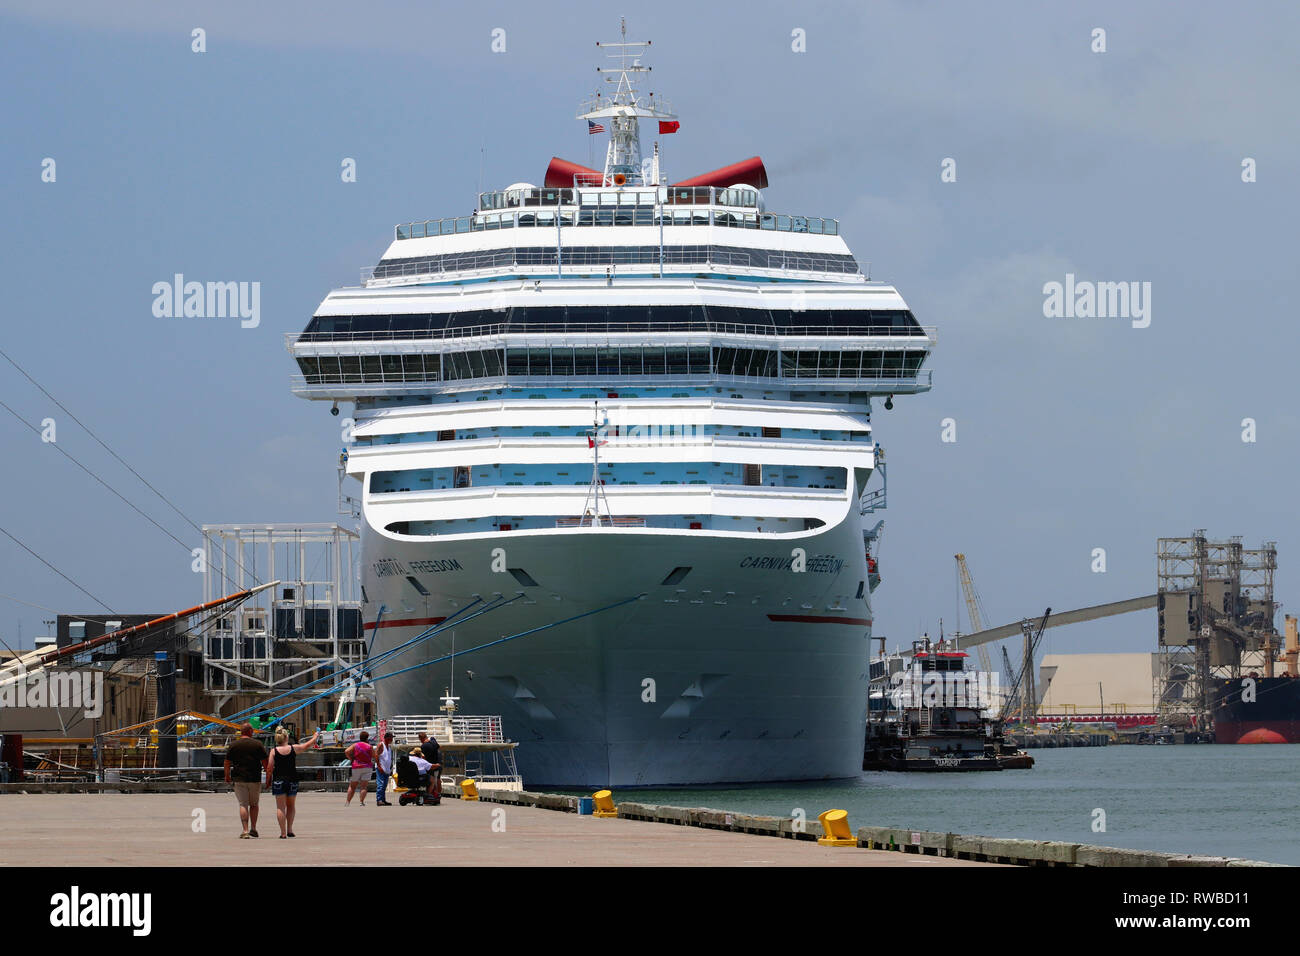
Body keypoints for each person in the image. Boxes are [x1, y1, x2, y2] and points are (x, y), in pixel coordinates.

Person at [266, 726, 319, 838]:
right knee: (291, 806)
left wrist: (267, 781)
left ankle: (283, 833)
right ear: (286, 738)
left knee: (280, 807)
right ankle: (290, 829)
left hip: (279, 780)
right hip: (292, 780)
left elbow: (269, 768)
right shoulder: (293, 748)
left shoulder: (273, 751)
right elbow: (306, 746)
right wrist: (315, 737)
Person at [223, 723, 268, 839]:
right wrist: (269, 777)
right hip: (254, 778)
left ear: (241, 732)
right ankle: (253, 828)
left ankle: (245, 830)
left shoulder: (233, 745)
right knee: (254, 805)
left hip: (239, 779)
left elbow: (227, 762)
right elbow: (265, 762)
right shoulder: (258, 744)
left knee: (243, 804)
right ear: (250, 731)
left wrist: (227, 775)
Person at [344, 731, 374, 806]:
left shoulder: (356, 745)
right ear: (367, 738)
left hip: (356, 766)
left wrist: (351, 759)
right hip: (367, 767)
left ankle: (348, 802)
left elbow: (346, 751)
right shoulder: (369, 746)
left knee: (352, 786)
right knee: (363, 786)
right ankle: (361, 802)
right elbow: (374, 755)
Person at [417, 732, 442, 798]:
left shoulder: (423, 746)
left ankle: (429, 795)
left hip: (430, 766)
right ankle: (438, 795)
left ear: (421, 738)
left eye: (420, 740)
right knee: (438, 780)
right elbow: (438, 746)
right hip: (438, 764)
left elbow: (423, 757)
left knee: (431, 781)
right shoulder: (433, 742)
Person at [374, 732, 396, 806]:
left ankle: (383, 800)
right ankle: (379, 800)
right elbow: (376, 755)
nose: (392, 739)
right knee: (380, 784)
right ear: (387, 738)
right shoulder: (381, 745)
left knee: (384, 785)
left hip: (386, 769)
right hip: (381, 768)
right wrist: (379, 766)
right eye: (391, 738)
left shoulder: (389, 747)